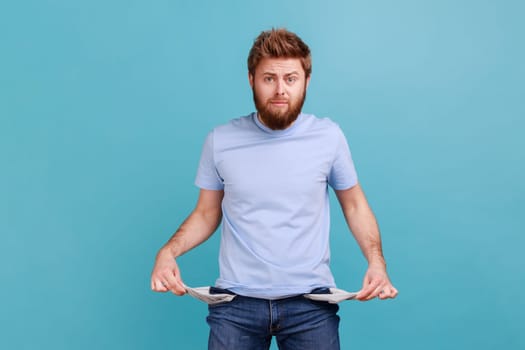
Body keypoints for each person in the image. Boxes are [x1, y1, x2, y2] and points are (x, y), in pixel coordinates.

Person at [151, 28, 398, 350]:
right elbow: (207, 212)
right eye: (269, 78)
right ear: (251, 79)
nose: (280, 90)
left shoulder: (328, 137)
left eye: (290, 79)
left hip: (311, 305)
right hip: (235, 305)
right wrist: (167, 253)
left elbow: (354, 205)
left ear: (306, 81)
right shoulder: (220, 140)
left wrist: (377, 262)